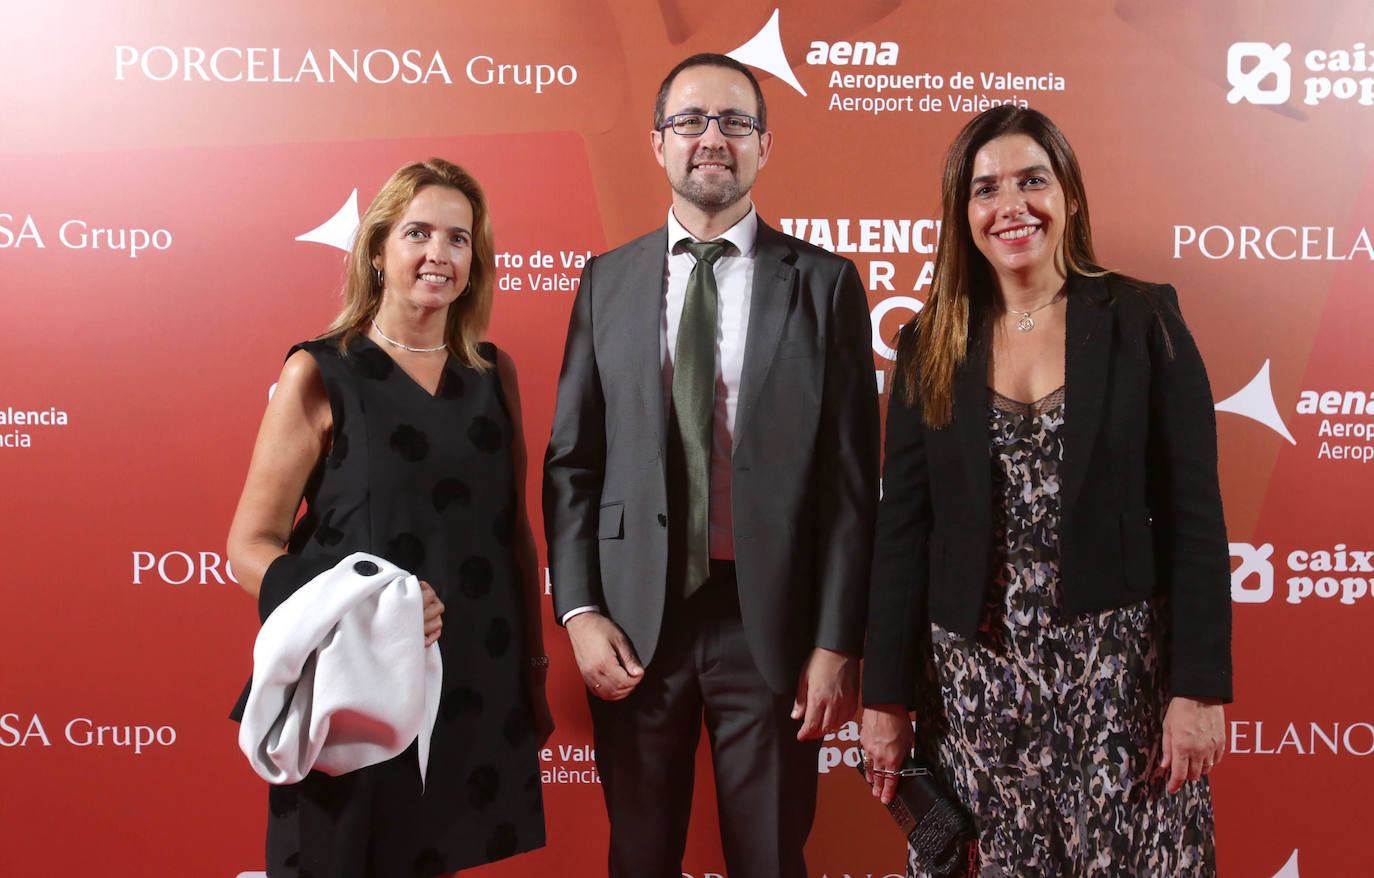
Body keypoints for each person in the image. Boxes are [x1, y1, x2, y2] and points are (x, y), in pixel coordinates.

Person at [860, 106, 1232, 877]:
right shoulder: (929, 340)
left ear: (1068, 194)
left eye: (1033, 180)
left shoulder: (1141, 320)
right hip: (974, 690)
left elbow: (1197, 518)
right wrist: (884, 698)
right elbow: (903, 533)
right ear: (962, 212)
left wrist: (1198, 691)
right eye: (986, 189)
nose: (1011, 207)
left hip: (1119, 683)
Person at [543, 53, 880, 877]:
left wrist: (837, 641)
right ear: (659, 143)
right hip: (632, 623)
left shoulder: (827, 286)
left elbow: (849, 485)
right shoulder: (605, 281)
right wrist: (581, 610)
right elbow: (572, 463)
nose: (712, 139)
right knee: (640, 855)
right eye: (691, 121)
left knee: (769, 856)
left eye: (734, 122)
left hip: (771, 624)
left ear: (764, 145)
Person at [227, 158, 551, 877]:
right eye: (418, 233)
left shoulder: (495, 375)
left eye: (459, 239)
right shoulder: (320, 371)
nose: (440, 254)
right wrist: (361, 606)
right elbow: (249, 544)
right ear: (377, 251)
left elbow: (512, 536)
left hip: (475, 678)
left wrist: (531, 672)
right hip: (355, 683)